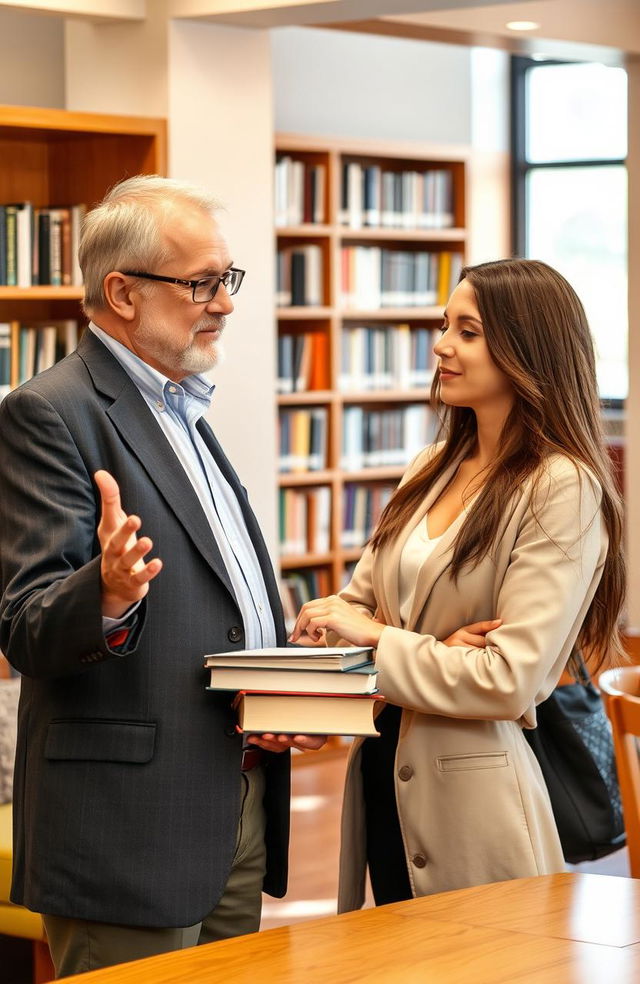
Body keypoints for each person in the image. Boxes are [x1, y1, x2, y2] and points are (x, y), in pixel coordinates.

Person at [0, 174, 322, 976]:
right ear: (122, 292)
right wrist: (104, 593)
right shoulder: (49, 411)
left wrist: (287, 665)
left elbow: (218, 599)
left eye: (227, 280)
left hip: (234, 799)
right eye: (201, 283)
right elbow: (26, 625)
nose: (225, 302)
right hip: (128, 828)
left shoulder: (182, 408)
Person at [290, 258, 626, 911]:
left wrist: (383, 639)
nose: (440, 345)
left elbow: (509, 680)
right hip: (382, 787)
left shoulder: (562, 486)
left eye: (467, 331)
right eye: (445, 326)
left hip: (476, 811)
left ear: (528, 349)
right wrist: (420, 650)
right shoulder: (430, 467)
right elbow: (351, 610)